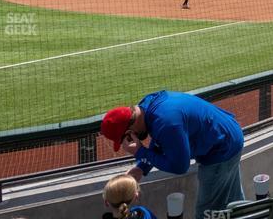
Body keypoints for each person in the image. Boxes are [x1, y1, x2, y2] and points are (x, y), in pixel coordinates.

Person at [101, 91, 244, 219]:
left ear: (129, 131)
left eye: (127, 138)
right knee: (232, 201)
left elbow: (180, 166)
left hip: (221, 150)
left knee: (206, 212)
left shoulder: (166, 122)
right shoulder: (147, 106)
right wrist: (141, 167)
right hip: (226, 136)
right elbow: (161, 141)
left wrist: (141, 152)